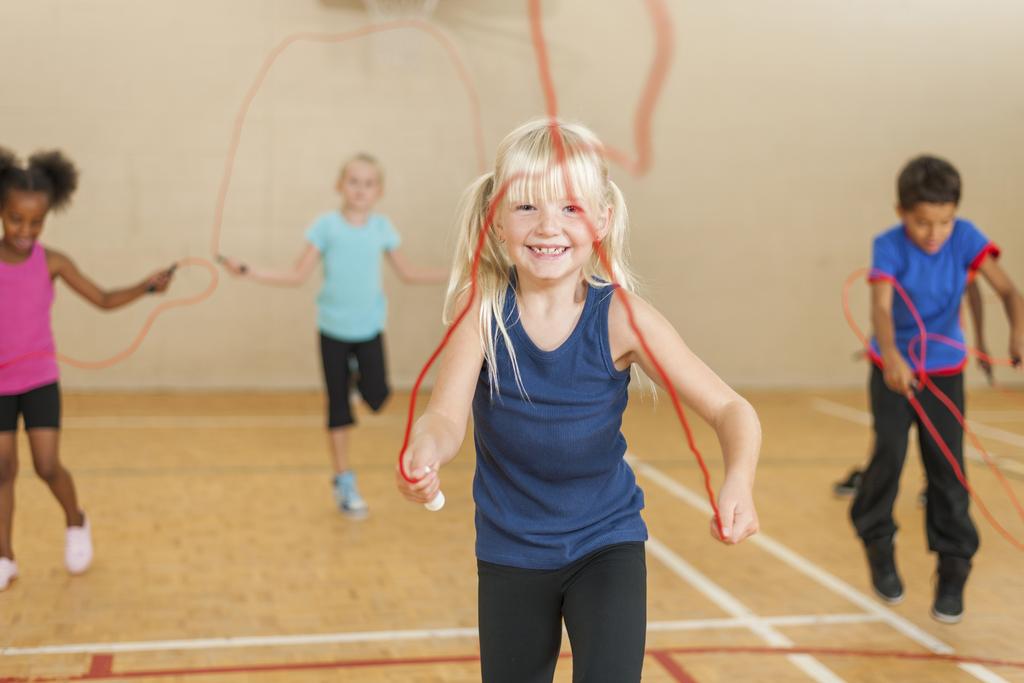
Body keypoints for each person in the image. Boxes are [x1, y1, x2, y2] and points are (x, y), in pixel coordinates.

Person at [396, 119, 761, 682]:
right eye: (527, 207)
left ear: (602, 220)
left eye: (570, 207)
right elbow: (444, 417)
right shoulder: (482, 313)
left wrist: (738, 479)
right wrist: (425, 452)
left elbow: (731, 409)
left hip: (606, 545)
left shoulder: (623, 318)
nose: (549, 226)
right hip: (510, 552)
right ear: (496, 218)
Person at [221, 153, 446, 518]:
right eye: (353, 182)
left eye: (368, 183)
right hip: (333, 332)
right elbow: (296, 275)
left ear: (379, 191)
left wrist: (463, 272)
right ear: (339, 185)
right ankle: (344, 481)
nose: (360, 189)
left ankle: (356, 381)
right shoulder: (325, 227)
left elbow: (409, 272)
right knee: (338, 409)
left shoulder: (382, 228)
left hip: (369, 329)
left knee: (379, 396)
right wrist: (249, 271)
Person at [851, 154, 1024, 623]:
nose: (934, 233)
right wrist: (891, 355)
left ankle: (953, 567)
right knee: (889, 454)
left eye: (944, 221)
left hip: (944, 371)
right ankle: (877, 540)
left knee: (947, 468)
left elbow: (1009, 292)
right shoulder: (888, 245)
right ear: (901, 212)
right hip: (893, 369)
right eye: (922, 222)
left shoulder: (966, 237)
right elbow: (881, 308)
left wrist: (1017, 332)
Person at [0, 148, 175, 591]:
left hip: (39, 381)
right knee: (2, 469)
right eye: (16, 219)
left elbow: (103, 299)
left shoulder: (52, 262)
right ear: (1, 212)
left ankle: (76, 520)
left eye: (36, 222)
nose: (26, 231)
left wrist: (146, 288)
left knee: (46, 465)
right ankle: (4, 556)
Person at [833, 279, 993, 502]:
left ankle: (935, 486)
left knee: (941, 438)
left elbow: (976, 290)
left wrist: (982, 342)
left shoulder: (956, 264)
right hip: (901, 362)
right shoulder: (901, 265)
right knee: (889, 435)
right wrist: (885, 348)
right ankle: (872, 479)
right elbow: (883, 306)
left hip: (940, 364)